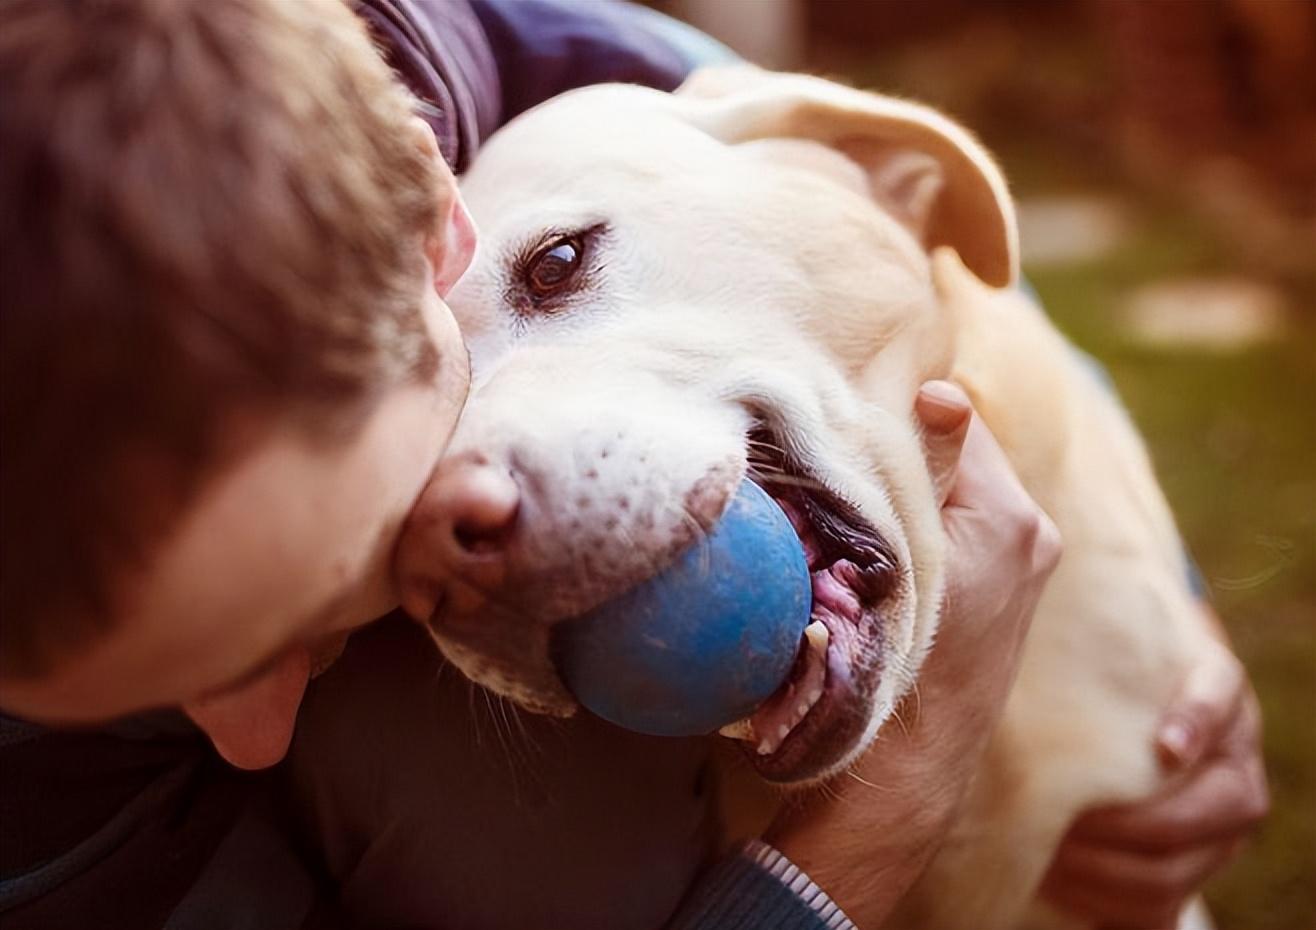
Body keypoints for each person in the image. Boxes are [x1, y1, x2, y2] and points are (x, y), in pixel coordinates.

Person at [0, 1, 1265, 928]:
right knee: (504, 825)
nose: (479, 495)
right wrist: (853, 852)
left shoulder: (604, 88)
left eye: (553, 273)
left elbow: (902, 253)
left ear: (427, 231)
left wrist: (1167, 637)